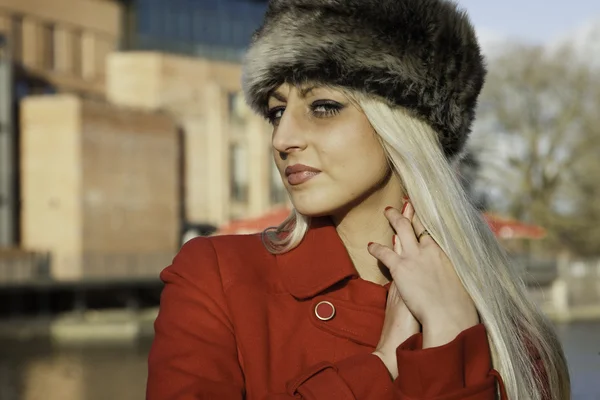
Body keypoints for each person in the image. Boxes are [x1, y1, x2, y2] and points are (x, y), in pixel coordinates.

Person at [146, 0, 571, 399]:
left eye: (324, 106)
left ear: (405, 124)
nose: (282, 139)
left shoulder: (509, 334)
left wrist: (448, 334)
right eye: (277, 112)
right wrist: (381, 364)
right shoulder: (216, 279)